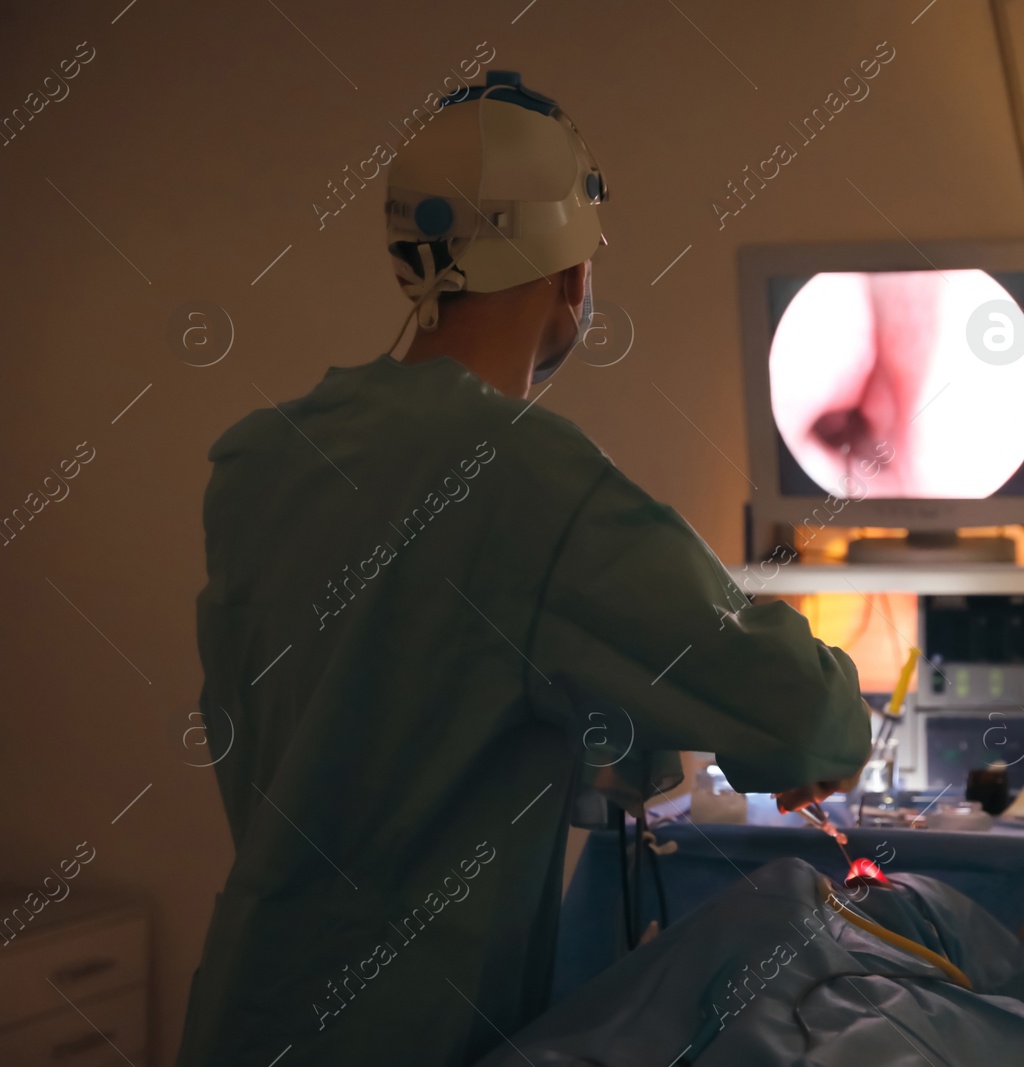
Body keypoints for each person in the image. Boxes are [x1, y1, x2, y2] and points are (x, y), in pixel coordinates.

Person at [177, 72, 869, 1067]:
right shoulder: (527, 477)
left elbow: (391, 712)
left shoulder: (258, 462)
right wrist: (818, 719)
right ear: (573, 275)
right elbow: (802, 715)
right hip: (410, 1029)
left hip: (250, 1010)